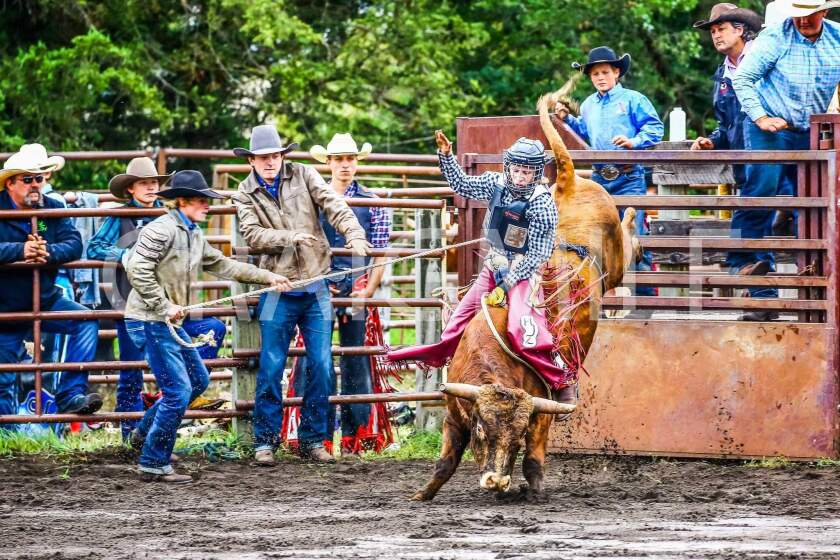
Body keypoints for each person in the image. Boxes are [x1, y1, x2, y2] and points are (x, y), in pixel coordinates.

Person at [123, 170, 291, 483]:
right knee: (180, 390)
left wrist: (268, 277)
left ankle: (144, 435)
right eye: (202, 201)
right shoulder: (161, 230)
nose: (207, 206)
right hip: (149, 319)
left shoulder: (193, 235)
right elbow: (136, 268)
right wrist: (164, 305)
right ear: (182, 202)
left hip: (164, 320)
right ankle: (153, 461)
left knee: (197, 380)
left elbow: (224, 265)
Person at [388, 131, 576, 402]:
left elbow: (537, 253)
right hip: (494, 264)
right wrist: (446, 155)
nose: (520, 176)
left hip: (525, 272)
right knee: (456, 323)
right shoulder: (495, 183)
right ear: (508, 167)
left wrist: (507, 284)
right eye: (517, 170)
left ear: (535, 173)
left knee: (525, 328)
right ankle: (452, 364)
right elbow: (462, 185)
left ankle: (560, 380)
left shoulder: (542, 203)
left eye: (526, 171)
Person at [231, 125, 370, 464]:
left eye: (275, 156)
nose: (270, 162)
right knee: (271, 365)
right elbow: (252, 235)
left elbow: (332, 203)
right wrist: (290, 237)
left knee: (322, 365)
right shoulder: (244, 192)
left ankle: (314, 439)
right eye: (263, 157)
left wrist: (354, 232)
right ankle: (266, 440)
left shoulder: (304, 174)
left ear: (282, 156)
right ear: (252, 160)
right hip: (277, 286)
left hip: (316, 282)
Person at [87, 157, 227, 440]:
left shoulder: (167, 216)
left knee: (212, 329)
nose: (151, 188)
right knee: (132, 367)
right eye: (144, 183)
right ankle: (131, 431)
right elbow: (95, 247)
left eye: (154, 183)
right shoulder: (121, 217)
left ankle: (171, 398)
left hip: (169, 305)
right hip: (130, 302)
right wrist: (125, 255)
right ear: (131, 189)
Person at [731, 0, 840, 320]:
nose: (805, 20)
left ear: (825, 13)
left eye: (812, 13)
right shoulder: (775, 38)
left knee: (815, 204)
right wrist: (761, 116)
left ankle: (817, 291)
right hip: (772, 126)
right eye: (799, 14)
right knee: (761, 188)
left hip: (814, 130)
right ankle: (750, 272)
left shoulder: (838, 38)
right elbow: (743, 78)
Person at [301, 133, 392, 455]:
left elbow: (381, 252)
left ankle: (358, 434)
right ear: (328, 163)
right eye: (339, 159)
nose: (344, 165)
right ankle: (315, 435)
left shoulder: (373, 201)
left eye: (350, 159)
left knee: (356, 358)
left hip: (356, 287)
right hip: (319, 286)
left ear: (357, 163)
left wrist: (367, 290)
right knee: (315, 359)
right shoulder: (313, 199)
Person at [0, 148, 101, 417]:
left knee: (86, 321)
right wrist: (20, 251)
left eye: (39, 178)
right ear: (10, 182)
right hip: (5, 308)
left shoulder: (52, 208)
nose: (35, 184)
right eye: (27, 179)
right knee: (3, 378)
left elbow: (74, 243)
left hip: (44, 298)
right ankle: (8, 439)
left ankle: (69, 394)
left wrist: (48, 253)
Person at [557, 46, 664, 296]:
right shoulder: (588, 105)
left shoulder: (633, 99)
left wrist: (633, 141)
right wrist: (567, 120)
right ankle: (604, 302)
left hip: (628, 176)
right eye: (595, 74)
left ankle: (645, 302)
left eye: (605, 72)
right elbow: (585, 132)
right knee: (599, 239)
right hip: (599, 179)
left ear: (617, 72)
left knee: (634, 240)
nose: (600, 77)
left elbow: (655, 127)